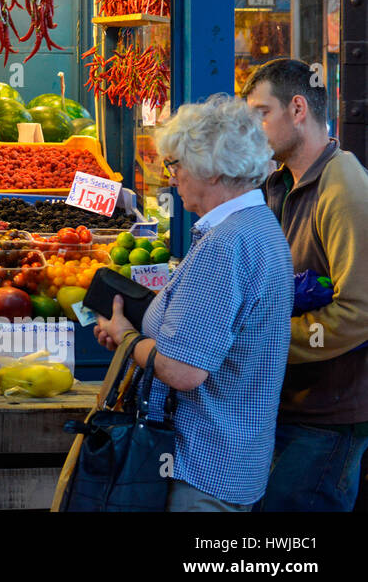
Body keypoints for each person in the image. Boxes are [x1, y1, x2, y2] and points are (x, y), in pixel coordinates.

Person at [94, 95, 293, 511]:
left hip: (204, 466)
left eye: (177, 164)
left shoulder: (227, 243)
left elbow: (183, 371)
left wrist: (127, 337)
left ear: (214, 168)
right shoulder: (258, 225)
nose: (172, 177)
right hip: (235, 460)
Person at [243, 58, 368, 511]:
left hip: (329, 416)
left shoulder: (345, 187)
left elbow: (359, 313)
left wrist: (264, 340)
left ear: (298, 109)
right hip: (291, 404)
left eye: (261, 113)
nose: (253, 128)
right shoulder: (279, 183)